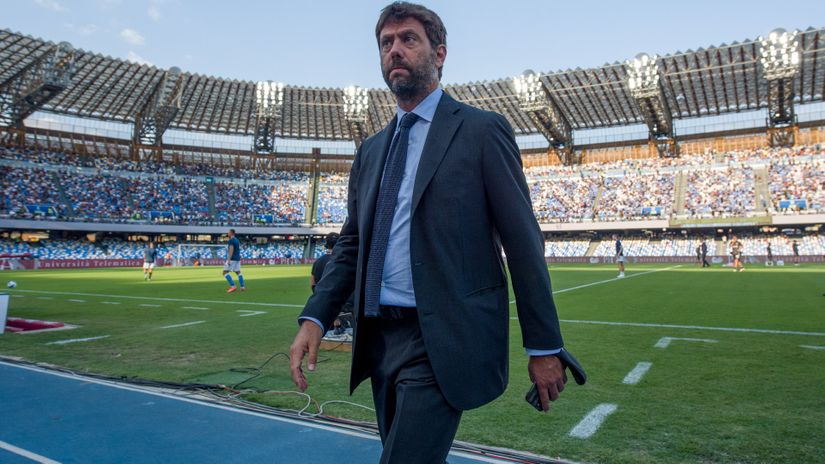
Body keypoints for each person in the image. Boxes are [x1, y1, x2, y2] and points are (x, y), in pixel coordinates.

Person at [289, 3, 569, 462]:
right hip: (379, 338)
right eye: (386, 43)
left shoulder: (481, 130)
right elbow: (352, 244)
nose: (395, 50)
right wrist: (315, 316)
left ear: (439, 54)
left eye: (408, 39)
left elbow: (522, 243)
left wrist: (543, 346)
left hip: (441, 338)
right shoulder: (372, 149)